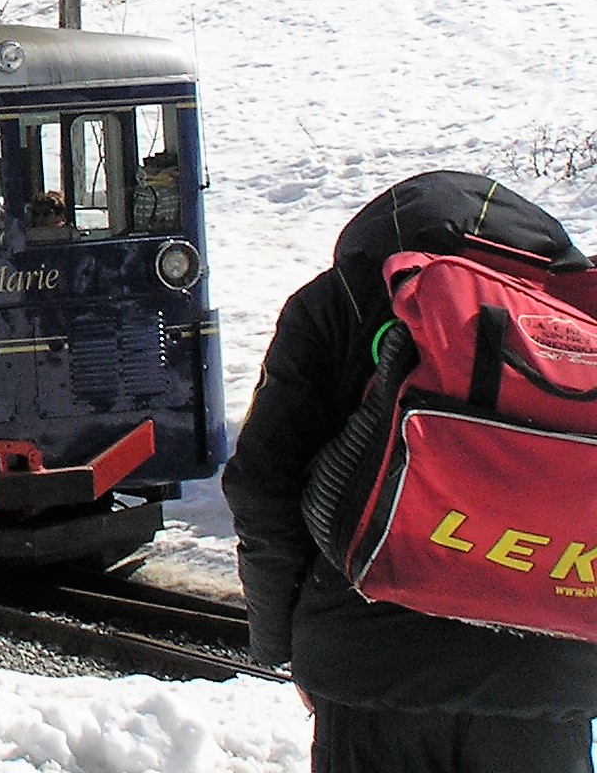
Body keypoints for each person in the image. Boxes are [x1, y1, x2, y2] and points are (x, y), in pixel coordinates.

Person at [223, 172, 597, 773]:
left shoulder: (338, 301)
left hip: (368, 668)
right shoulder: (578, 314)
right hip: (548, 679)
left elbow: (263, 484)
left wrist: (282, 645)